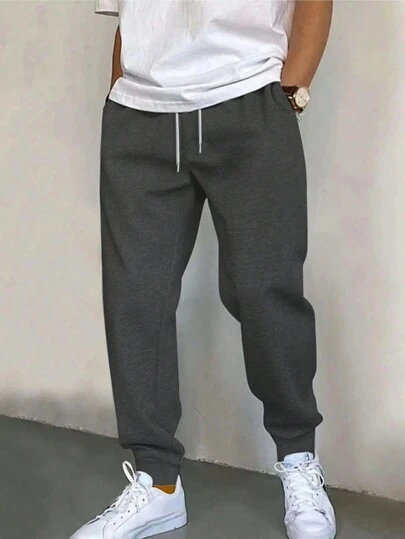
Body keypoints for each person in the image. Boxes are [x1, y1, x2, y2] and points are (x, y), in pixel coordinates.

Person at [71, 1, 336, 538]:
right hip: (139, 113)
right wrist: (124, 92)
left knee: (265, 290)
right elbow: (129, 17)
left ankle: (298, 458)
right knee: (135, 298)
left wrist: (291, 91)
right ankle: (158, 483)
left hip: (249, 98)